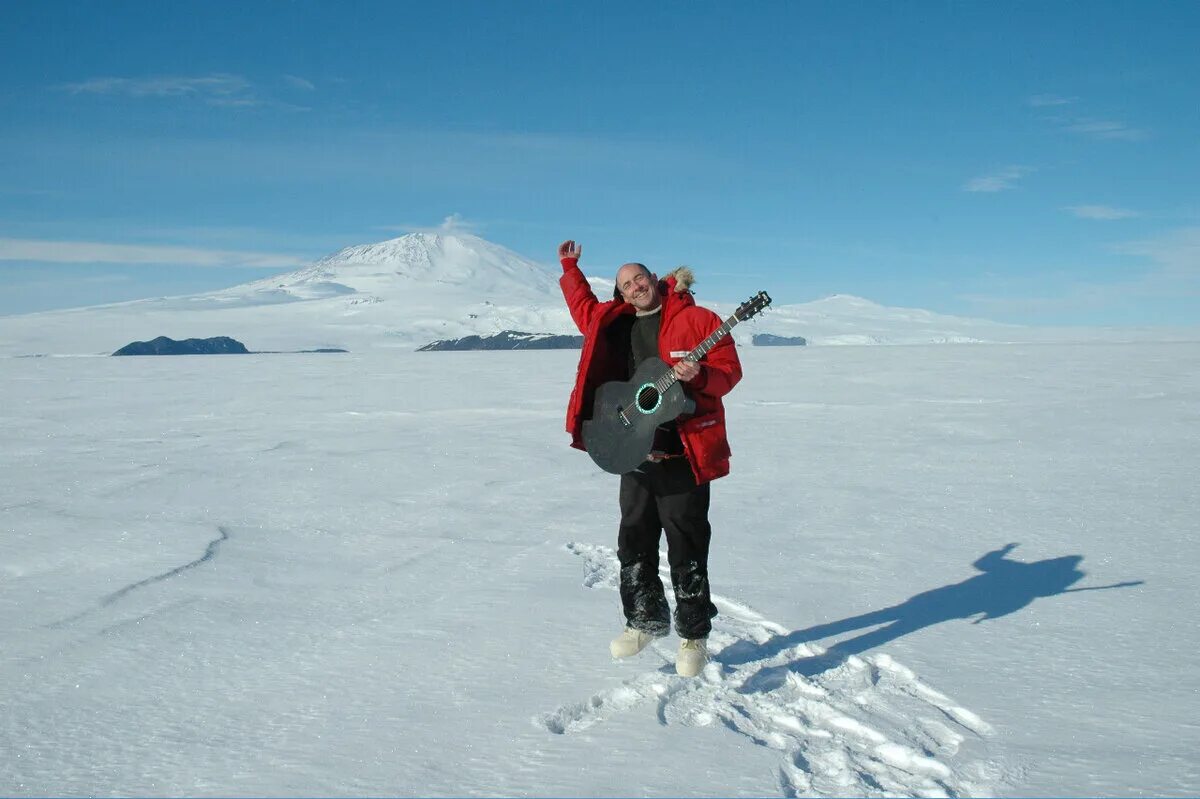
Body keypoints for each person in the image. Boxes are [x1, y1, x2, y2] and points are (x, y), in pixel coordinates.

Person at [557, 239, 743, 677]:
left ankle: (693, 636)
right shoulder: (615, 321)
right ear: (620, 294)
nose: (635, 287)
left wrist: (702, 375)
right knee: (633, 541)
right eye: (625, 284)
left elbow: (730, 371)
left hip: (685, 453)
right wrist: (570, 269)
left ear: (653, 278)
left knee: (687, 545)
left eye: (639, 277)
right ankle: (644, 619)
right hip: (635, 451)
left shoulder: (697, 320)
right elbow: (584, 308)